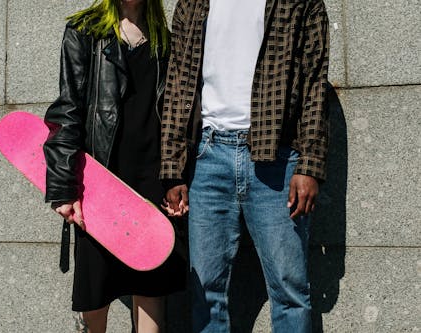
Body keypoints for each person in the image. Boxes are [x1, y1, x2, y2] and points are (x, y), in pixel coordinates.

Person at [160, 0, 330, 332]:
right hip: (208, 156)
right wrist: (173, 168)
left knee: (290, 291)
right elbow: (177, 84)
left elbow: (314, 82)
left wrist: (309, 165)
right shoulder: (192, 3)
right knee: (204, 290)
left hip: (277, 159)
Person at [43, 1, 186, 332]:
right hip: (100, 178)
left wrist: (178, 178)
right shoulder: (85, 32)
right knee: (97, 290)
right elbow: (68, 110)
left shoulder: (165, 38)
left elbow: (178, 113)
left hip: (152, 178)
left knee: (151, 282)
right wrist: (65, 188)